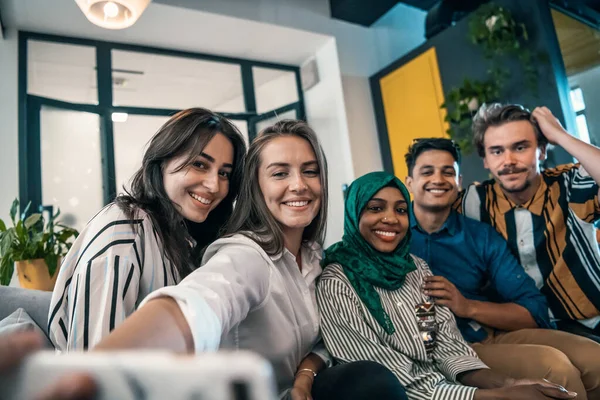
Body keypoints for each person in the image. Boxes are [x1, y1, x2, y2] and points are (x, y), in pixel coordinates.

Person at [90, 120, 404, 400]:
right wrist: (97, 372)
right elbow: (199, 302)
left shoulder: (314, 257)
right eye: (280, 173)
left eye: (310, 171)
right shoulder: (246, 255)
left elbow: (323, 340)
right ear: (256, 187)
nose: (299, 184)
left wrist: (304, 377)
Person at [317, 171, 577, 400]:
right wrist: (498, 396)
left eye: (400, 210)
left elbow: (442, 345)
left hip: (450, 387)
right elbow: (395, 382)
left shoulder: (415, 269)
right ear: (353, 212)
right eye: (375, 208)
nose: (391, 219)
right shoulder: (337, 283)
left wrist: (510, 384)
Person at [405, 138, 600, 399]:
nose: (438, 179)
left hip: (489, 333)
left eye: (448, 172)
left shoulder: (479, 236)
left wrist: (467, 306)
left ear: (459, 182)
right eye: (427, 171)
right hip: (449, 345)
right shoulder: (394, 233)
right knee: (558, 369)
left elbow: (534, 309)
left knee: (595, 358)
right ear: (409, 182)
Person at [48, 108, 247, 351]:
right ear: (162, 161)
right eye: (199, 164)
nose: (214, 185)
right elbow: (95, 365)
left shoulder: (186, 236)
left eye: (224, 173)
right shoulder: (124, 229)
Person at [457, 104, 600, 342]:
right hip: (527, 333)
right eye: (496, 151)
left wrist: (561, 136)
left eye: (520, 147)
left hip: (592, 322)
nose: (508, 161)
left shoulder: (569, 184)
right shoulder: (473, 202)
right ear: (485, 160)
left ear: (541, 151)